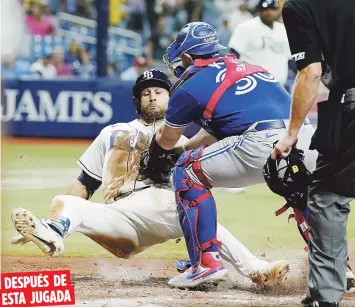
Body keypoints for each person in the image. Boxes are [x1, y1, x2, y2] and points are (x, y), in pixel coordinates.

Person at [11, 69, 290, 289]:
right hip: (118, 218)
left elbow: (204, 182)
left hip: (162, 209)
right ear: (137, 100)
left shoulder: (183, 140)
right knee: (64, 200)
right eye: (146, 93)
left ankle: (255, 267)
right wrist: (58, 215)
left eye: (159, 91)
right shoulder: (111, 133)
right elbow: (85, 182)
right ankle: (52, 232)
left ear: (171, 98)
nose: (153, 97)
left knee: (198, 214)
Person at [140, 21, 317, 288]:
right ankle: (336, 266)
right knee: (299, 192)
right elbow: (213, 133)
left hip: (261, 142)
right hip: (306, 138)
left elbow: (167, 140)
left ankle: (205, 264)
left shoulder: (189, 84)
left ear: (188, 55)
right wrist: (184, 150)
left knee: (186, 172)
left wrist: (156, 159)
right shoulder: (253, 68)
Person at [270, 1, 355, 306]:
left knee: (327, 197)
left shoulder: (299, 6)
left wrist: (291, 133)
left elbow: (311, 73)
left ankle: (326, 297)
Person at [228, 0, 291, 86]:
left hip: (280, 85)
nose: (269, 12)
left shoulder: (283, 29)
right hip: (253, 84)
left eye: (272, 9)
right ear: (260, 11)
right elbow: (233, 55)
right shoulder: (246, 27)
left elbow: (290, 58)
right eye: (265, 9)